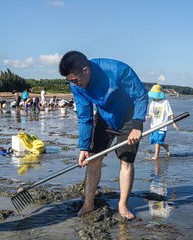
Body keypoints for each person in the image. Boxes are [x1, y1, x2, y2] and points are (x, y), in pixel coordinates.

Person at [59, 51, 148, 219]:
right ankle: (88, 203)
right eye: (70, 81)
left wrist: (137, 125)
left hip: (128, 118)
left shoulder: (117, 70)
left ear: (85, 70)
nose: (74, 84)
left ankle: (122, 205)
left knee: (126, 161)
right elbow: (85, 116)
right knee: (92, 159)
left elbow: (141, 96)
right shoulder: (76, 86)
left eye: (75, 80)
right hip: (104, 118)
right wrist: (84, 146)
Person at [146, 84, 179, 160]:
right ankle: (166, 146)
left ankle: (156, 155)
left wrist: (174, 123)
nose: (154, 97)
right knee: (155, 141)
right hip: (153, 125)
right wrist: (148, 117)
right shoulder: (152, 103)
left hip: (162, 126)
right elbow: (151, 114)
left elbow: (171, 113)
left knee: (158, 141)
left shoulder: (165, 102)